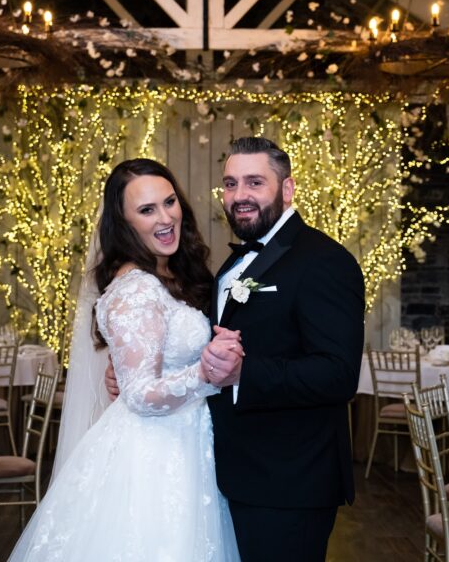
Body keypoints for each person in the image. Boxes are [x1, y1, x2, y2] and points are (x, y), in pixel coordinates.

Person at [107, 137, 365, 562]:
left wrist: (246, 374)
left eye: (254, 182)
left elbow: (338, 374)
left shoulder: (324, 260)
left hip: (289, 483)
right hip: (226, 475)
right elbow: (211, 349)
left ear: (287, 189)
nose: (239, 196)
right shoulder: (229, 266)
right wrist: (136, 370)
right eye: (230, 184)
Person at [8, 158, 242, 561]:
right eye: (147, 210)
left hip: (185, 443)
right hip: (152, 455)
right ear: (125, 223)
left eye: (169, 202)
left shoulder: (173, 275)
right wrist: (207, 374)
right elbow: (140, 394)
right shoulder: (136, 289)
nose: (166, 218)